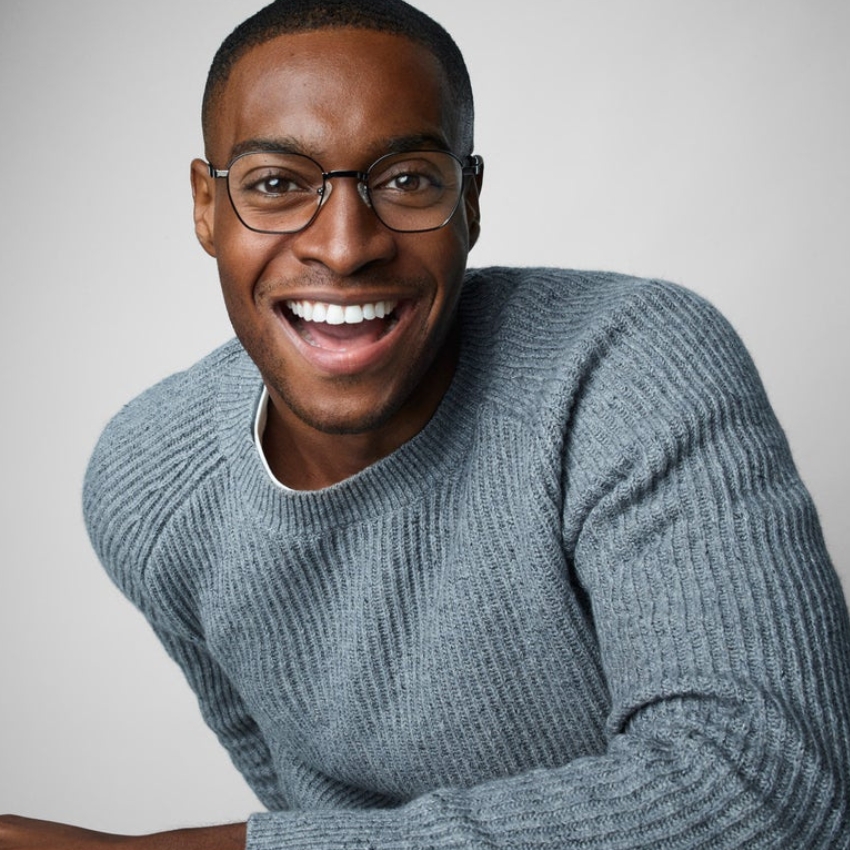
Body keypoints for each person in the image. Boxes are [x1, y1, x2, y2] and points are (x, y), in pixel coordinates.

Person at [3, 0, 849, 847]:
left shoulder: (624, 371)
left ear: (470, 203)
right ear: (205, 207)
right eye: (276, 184)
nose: (344, 246)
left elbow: (771, 794)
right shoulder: (149, 487)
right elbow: (324, 820)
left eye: (407, 179)